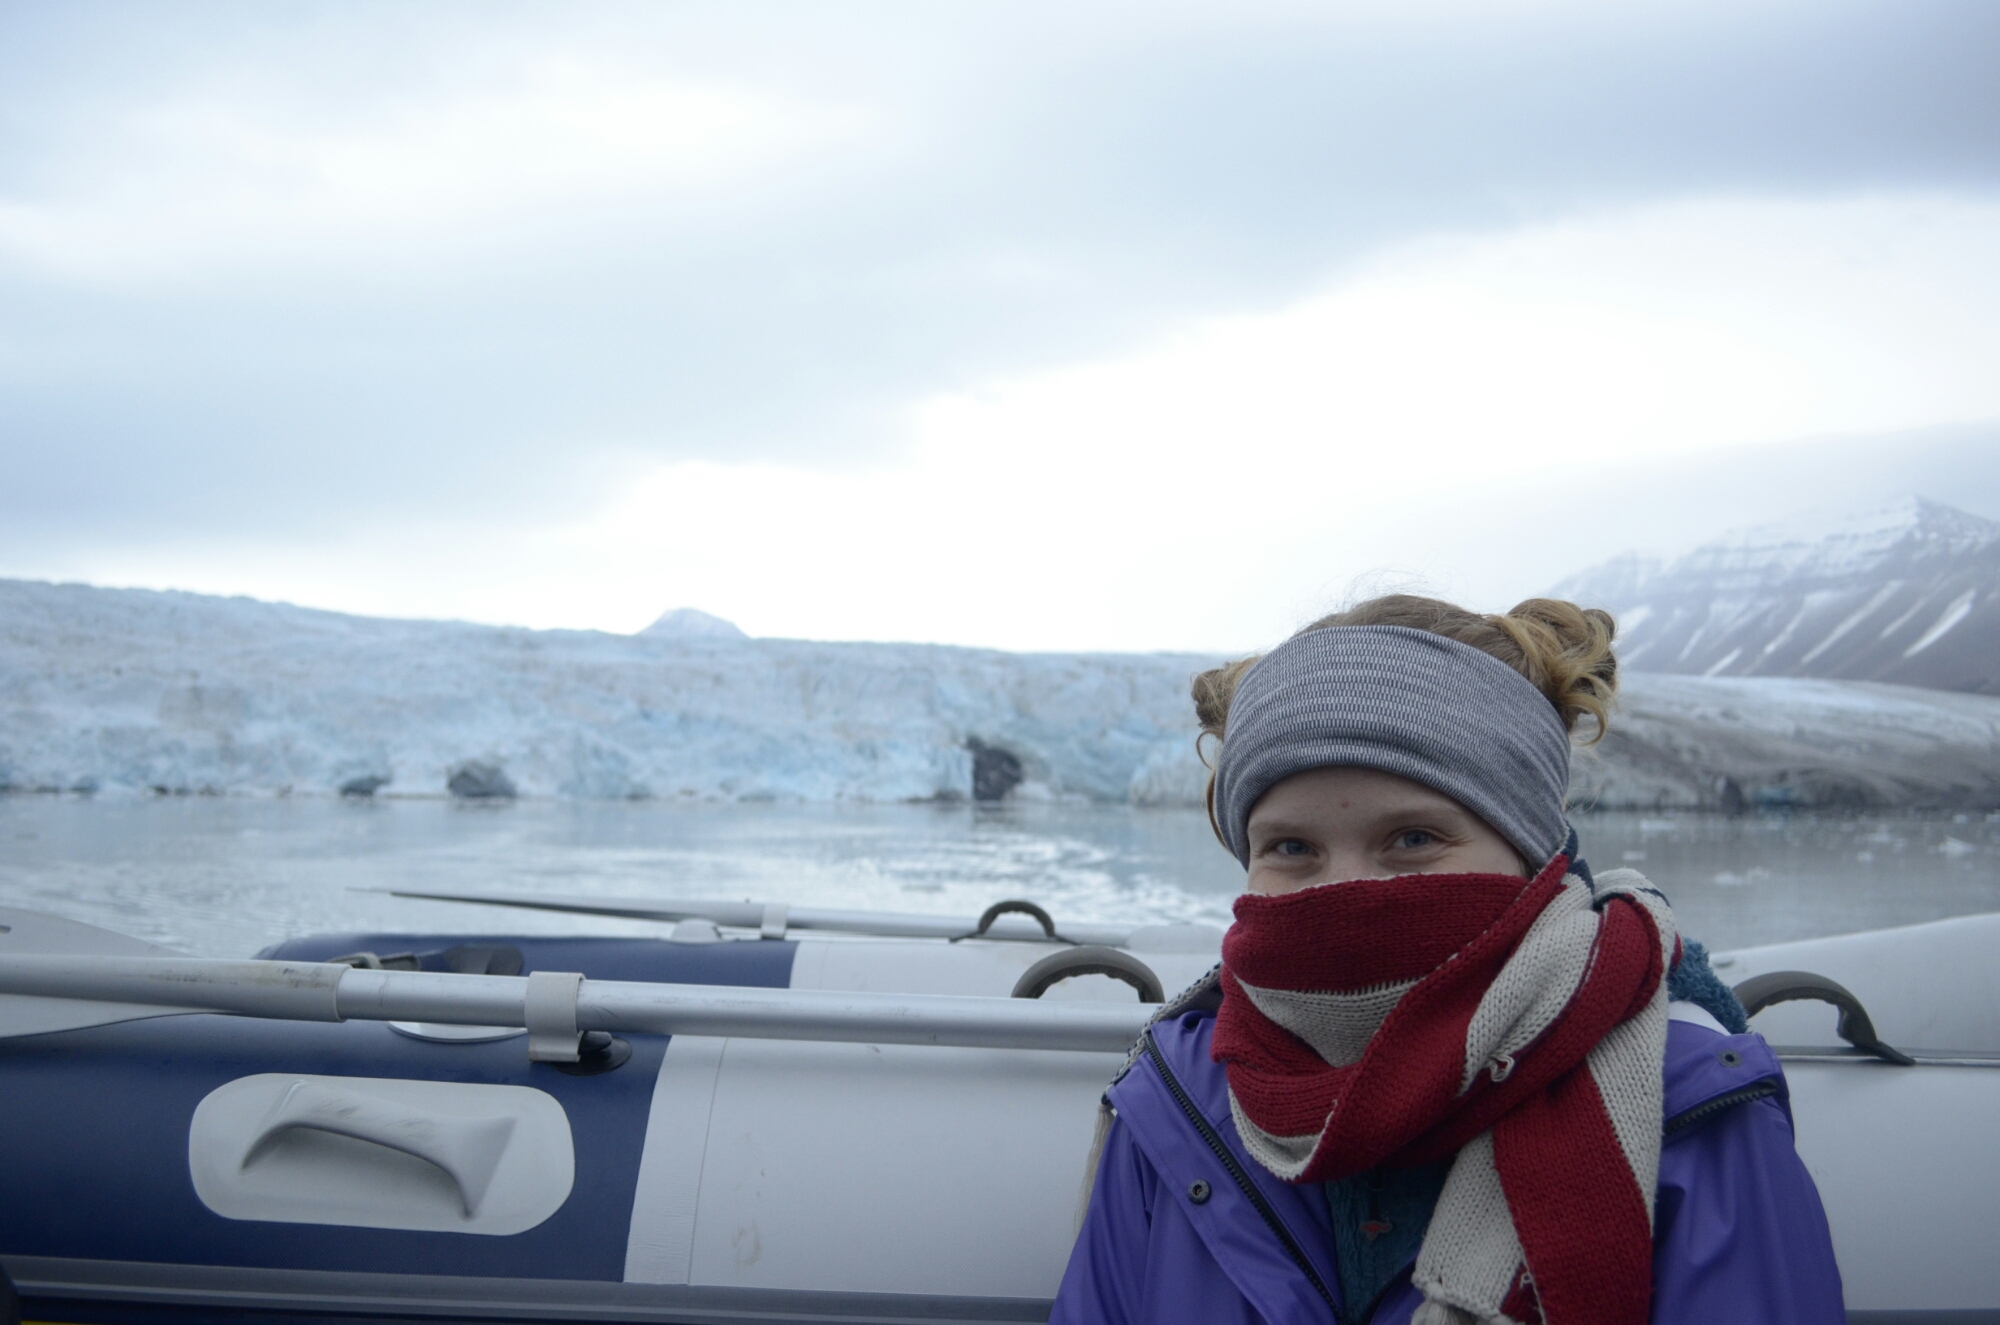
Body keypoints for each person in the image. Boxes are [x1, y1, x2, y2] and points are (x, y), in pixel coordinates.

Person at [1050, 596, 1844, 1325]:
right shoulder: (1176, 1095)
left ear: (1531, 852)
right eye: (1292, 846)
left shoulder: (1691, 1105)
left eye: (1414, 839)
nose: (1348, 891)